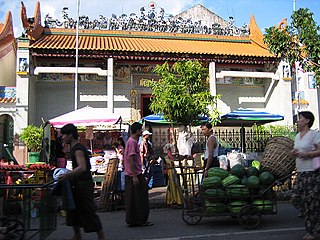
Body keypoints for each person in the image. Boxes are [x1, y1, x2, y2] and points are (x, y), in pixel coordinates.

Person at [59, 124, 105, 240]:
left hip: (83, 184)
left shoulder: (78, 149)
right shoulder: (74, 148)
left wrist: (67, 174)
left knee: (88, 211)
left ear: (70, 135)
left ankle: (101, 237)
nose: (62, 137)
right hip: (78, 184)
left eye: (64, 135)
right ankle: (77, 235)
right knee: (74, 210)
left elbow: (82, 167)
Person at [291, 111, 320, 240]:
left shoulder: (314, 134)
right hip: (301, 172)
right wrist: (295, 152)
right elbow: (299, 150)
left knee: (311, 203)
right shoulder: (297, 136)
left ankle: (313, 232)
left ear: (307, 121)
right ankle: (313, 228)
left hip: (312, 173)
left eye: (300, 118)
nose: (298, 121)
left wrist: (308, 154)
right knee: (296, 198)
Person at [124, 122, 153, 227]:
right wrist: (135, 176)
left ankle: (134, 219)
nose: (141, 132)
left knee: (134, 197)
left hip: (133, 173)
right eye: (141, 130)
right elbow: (131, 158)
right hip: (134, 173)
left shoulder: (132, 141)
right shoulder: (132, 142)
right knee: (140, 197)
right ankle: (140, 219)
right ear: (137, 131)